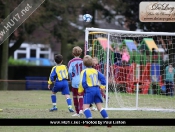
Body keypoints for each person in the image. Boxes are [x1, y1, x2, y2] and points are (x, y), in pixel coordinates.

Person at [78, 55, 109, 120]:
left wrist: (80, 90)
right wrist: (102, 86)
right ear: (92, 63)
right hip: (97, 90)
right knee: (99, 107)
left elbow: (82, 82)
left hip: (89, 90)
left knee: (85, 107)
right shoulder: (96, 71)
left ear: (83, 63)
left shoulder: (84, 72)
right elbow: (103, 78)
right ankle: (106, 118)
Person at [68, 46, 85, 117]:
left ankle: (77, 112)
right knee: (81, 96)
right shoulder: (83, 61)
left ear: (73, 53)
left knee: (75, 96)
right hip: (82, 80)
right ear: (81, 53)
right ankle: (81, 109)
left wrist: (71, 79)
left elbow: (69, 72)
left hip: (74, 80)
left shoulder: (71, 62)